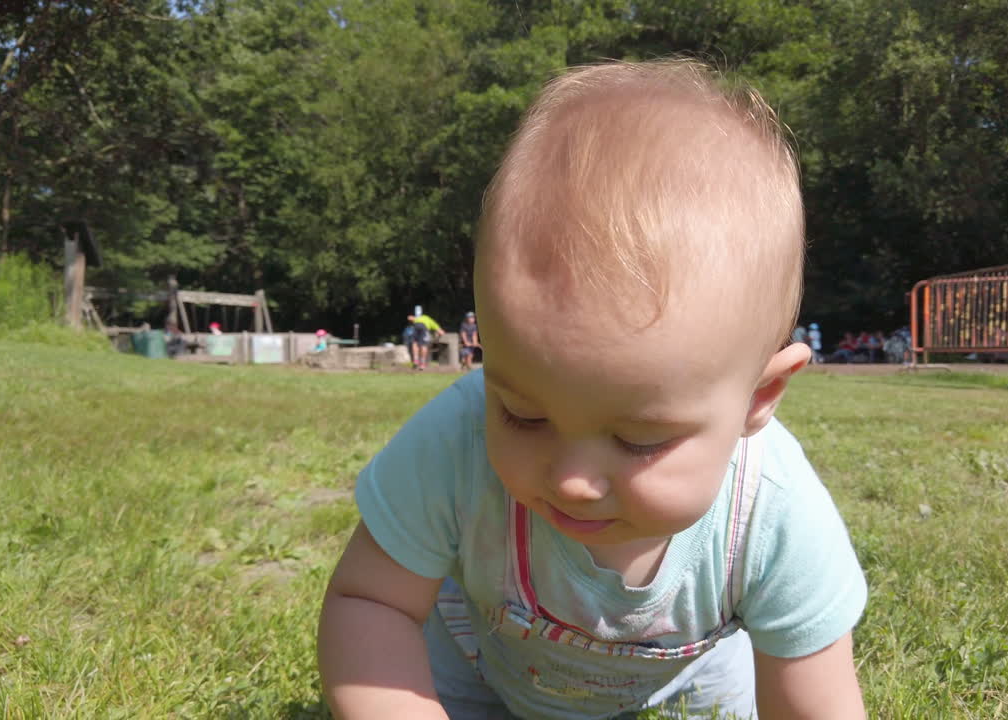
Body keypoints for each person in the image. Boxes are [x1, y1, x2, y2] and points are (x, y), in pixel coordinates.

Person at [318, 60, 867, 720]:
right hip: (482, 675)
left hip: (689, 687)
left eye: (639, 440)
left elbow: (815, 702)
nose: (572, 481)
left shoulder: (773, 510)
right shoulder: (456, 439)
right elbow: (371, 601)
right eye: (522, 415)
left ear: (759, 399)